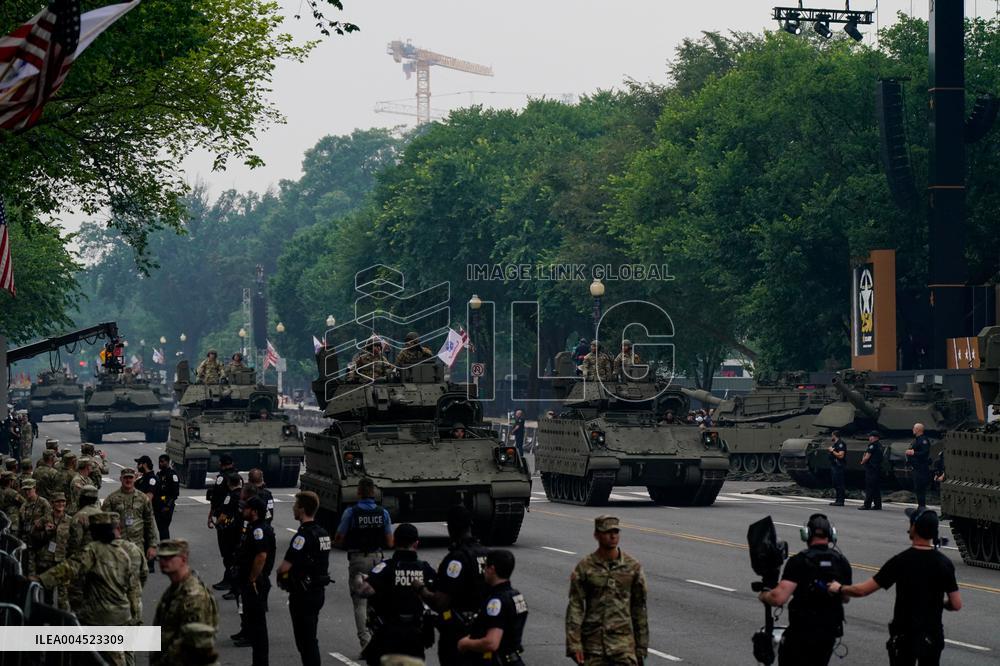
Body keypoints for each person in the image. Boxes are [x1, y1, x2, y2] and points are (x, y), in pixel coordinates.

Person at [830, 508, 961, 666]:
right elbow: (956, 604)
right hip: (932, 635)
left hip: (905, 635)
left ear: (914, 528)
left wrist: (839, 588)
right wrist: (941, 603)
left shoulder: (900, 561)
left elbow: (862, 590)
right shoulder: (944, 563)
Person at [36, 512, 140, 666]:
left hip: (103, 616)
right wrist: (135, 612)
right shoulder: (123, 551)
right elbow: (134, 585)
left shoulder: (94, 549)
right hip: (123, 614)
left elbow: (70, 568)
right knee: (123, 651)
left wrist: (40, 579)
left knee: (107, 656)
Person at [758, 514, 852, 666]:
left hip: (802, 632)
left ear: (806, 534)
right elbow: (845, 598)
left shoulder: (799, 561)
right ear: (831, 534)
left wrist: (764, 595)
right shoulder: (841, 562)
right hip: (828, 634)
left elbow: (779, 598)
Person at [566, 515, 648, 666]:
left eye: (616, 532)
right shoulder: (585, 567)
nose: (613, 536)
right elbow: (575, 607)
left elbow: (639, 609)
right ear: (596, 535)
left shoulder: (632, 567)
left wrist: (641, 647)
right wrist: (574, 644)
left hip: (623, 646)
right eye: (607, 532)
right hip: (594, 646)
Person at [416, 505, 489, 666]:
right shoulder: (486, 553)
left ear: (450, 528)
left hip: (459, 633)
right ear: (470, 525)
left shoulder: (457, 559)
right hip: (485, 630)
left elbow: (441, 602)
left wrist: (421, 589)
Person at [359, 523, 436, 665]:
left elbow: (364, 591)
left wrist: (372, 582)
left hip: (389, 633)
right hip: (415, 635)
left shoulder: (386, 566)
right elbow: (438, 595)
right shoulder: (424, 568)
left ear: (394, 542)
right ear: (416, 543)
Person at [334, 477, 394, 650]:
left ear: (358, 493)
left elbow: (339, 538)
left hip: (358, 559)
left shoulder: (351, 512)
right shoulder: (383, 512)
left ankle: (366, 643)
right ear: (374, 493)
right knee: (376, 601)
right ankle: (378, 639)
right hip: (377, 559)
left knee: (360, 602)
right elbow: (390, 542)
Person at [276, 491, 332, 666]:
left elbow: (284, 567)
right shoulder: (323, 533)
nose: (293, 508)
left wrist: (282, 577)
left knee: (305, 641)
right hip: (318, 590)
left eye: (295, 505)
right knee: (310, 637)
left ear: (302, 509)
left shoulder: (302, 536)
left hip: (303, 593)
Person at [153, 539, 220, 666]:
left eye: (169, 557)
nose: (163, 562)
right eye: (161, 557)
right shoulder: (174, 589)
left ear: (183, 559)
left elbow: (198, 644)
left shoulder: (194, 595)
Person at [458, 549, 528, 666]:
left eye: (485, 567)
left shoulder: (497, 601)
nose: (484, 571)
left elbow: (492, 643)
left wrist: (465, 643)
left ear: (492, 569)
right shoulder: (517, 596)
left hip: (498, 661)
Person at [235, 495, 276, 666]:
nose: (243, 510)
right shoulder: (252, 527)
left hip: (255, 582)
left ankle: (261, 662)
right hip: (249, 580)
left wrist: (252, 578)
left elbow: (261, 556)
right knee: (253, 625)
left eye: (246, 508)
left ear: (254, 511)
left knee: (258, 627)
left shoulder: (259, 530)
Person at [102, 467, 158, 564]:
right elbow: (103, 522)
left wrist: (152, 545)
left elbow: (149, 523)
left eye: (130, 477)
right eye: (125, 478)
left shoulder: (143, 498)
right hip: (118, 546)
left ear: (135, 478)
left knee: (137, 576)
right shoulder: (112, 499)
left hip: (137, 546)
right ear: (121, 479)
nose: (128, 480)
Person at [32, 491, 72, 610]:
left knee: (63, 596)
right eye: (58, 502)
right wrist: (45, 533)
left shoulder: (70, 521)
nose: (60, 504)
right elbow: (33, 536)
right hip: (46, 560)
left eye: (63, 501)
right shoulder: (45, 519)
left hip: (62, 561)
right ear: (52, 503)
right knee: (46, 595)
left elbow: (74, 541)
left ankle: (63, 622)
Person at [207, 454, 239, 589]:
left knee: (227, 551)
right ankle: (231, 578)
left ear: (221, 464)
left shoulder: (222, 478)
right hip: (237, 519)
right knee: (233, 550)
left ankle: (230, 579)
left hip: (224, 518)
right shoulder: (238, 477)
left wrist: (211, 516)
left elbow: (216, 498)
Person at [17, 478, 52, 575]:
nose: (27, 492)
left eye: (29, 489)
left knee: (43, 569)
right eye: (25, 490)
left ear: (35, 488)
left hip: (41, 541)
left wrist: (41, 522)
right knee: (29, 570)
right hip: (28, 542)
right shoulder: (23, 506)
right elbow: (21, 524)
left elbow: (50, 517)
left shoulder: (43, 503)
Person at [154, 454, 181, 539]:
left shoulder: (172, 475)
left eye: (162, 462)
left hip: (166, 505)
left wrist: (167, 506)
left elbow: (175, 493)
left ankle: (165, 546)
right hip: (158, 505)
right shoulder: (159, 474)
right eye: (159, 462)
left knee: (164, 527)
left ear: (167, 462)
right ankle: (164, 544)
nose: (160, 463)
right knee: (161, 528)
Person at [906, 423, 932, 508]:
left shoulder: (923, 440)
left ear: (918, 430)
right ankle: (920, 505)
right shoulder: (916, 440)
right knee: (917, 488)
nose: (913, 429)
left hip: (921, 468)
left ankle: (922, 506)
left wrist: (913, 453)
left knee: (920, 488)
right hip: (916, 467)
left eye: (914, 428)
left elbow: (924, 453)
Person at [859, 430, 883, 510]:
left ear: (875, 437)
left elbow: (867, 456)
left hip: (871, 469)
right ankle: (877, 505)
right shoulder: (880, 445)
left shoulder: (872, 445)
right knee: (876, 488)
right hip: (877, 468)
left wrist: (862, 462)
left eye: (870, 436)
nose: (869, 438)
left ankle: (867, 505)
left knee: (869, 487)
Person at [827, 431, 847, 506]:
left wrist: (832, 451)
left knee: (839, 483)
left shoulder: (840, 444)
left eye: (832, 435)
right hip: (835, 466)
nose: (831, 437)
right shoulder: (836, 444)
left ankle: (840, 501)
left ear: (835, 436)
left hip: (839, 466)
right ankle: (838, 500)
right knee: (835, 483)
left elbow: (841, 456)